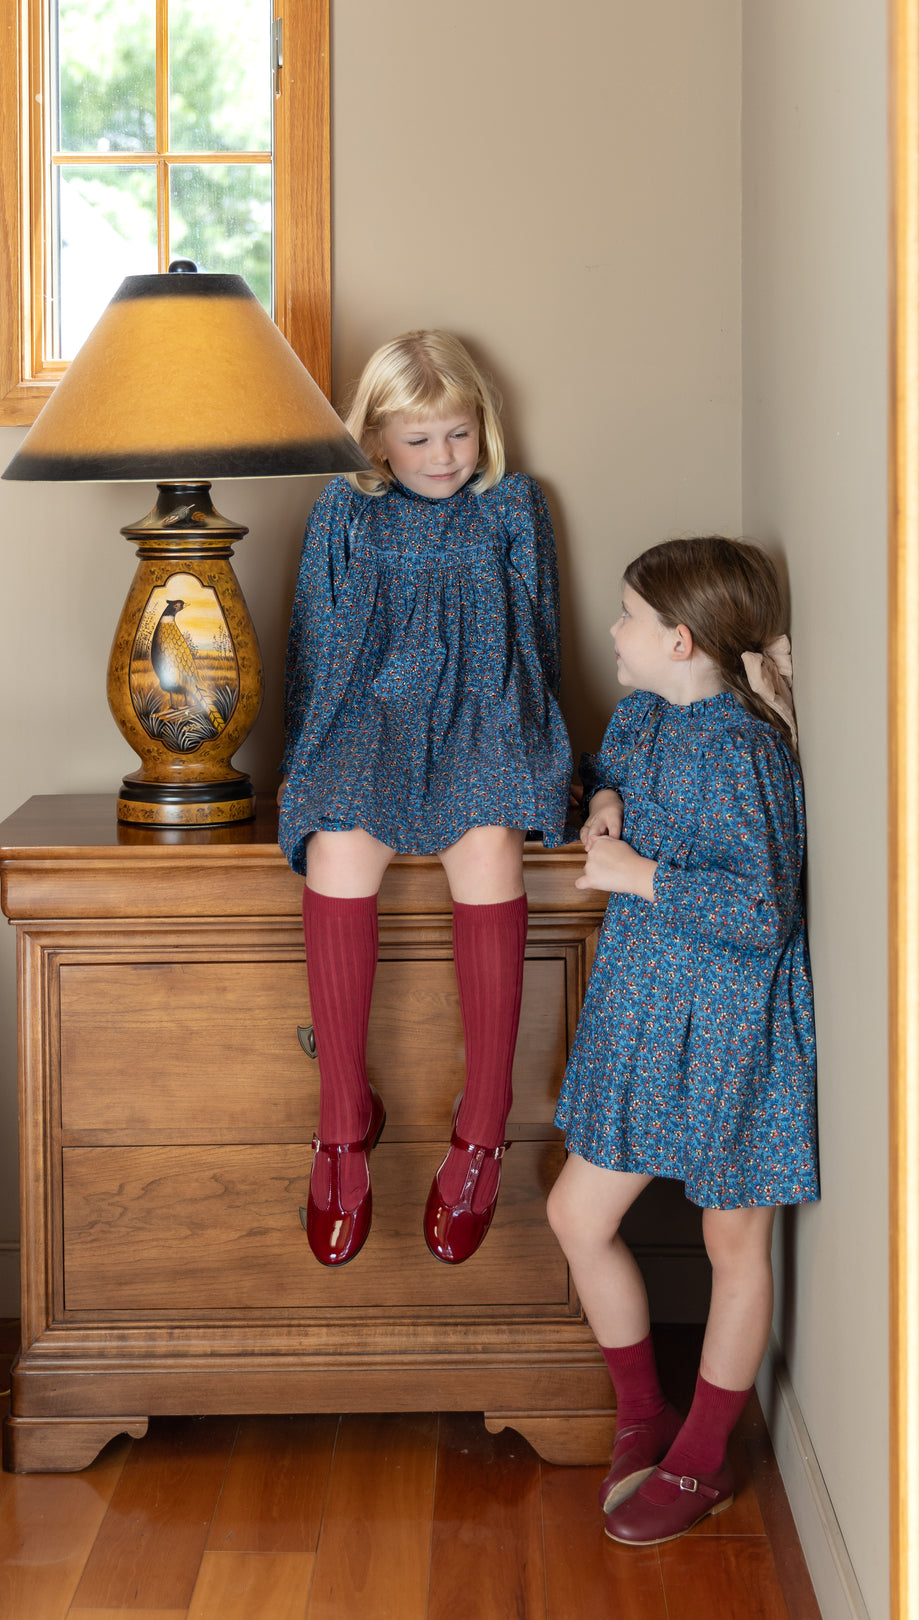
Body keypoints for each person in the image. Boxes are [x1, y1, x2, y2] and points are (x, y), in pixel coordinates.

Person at [278, 330, 572, 1269]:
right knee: (335, 847)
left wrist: (543, 751)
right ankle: (340, 1123)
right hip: (367, 716)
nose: (445, 458)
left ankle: (482, 1126)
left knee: (489, 847)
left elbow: (540, 637)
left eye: (458, 435)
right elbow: (315, 644)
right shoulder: (344, 511)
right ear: (375, 444)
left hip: (485, 712)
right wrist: (306, 763)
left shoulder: (515, 506)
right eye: (420, 441)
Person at [546, 536, 818, 1546]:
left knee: (731, 1240)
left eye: (626, 616)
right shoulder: (642, 715)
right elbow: (605, 774)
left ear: (682, 639)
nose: (611, 631)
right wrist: (606, 803)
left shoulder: (747, 751)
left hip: (733, 1022)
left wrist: (639, 879)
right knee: (579, 1214)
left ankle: (701, 1458)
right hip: (646, 1008)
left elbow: (763, 912)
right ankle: (642, 1416)